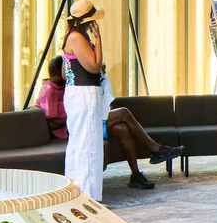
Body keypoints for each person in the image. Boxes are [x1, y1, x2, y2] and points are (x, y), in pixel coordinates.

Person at [39, 56, 179, 190]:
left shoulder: (63, 87)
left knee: (122, 128)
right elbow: (51, 124)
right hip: (72, 129)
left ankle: (136, 175)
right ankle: (155, 149)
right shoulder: (49, 90)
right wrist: (76, 116)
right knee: (123, 113)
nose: (69, 73)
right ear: (58, 70)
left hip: (81, 122)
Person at [61, 0, 114, 198]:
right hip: (84, 94)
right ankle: (88, 195)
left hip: (76, 93)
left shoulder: (70, 36)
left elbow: (65, 73)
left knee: (79, 143)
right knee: (89, 144)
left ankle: (75, 191)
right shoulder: (77, 38)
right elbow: (94, 66)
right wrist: (98, 40)